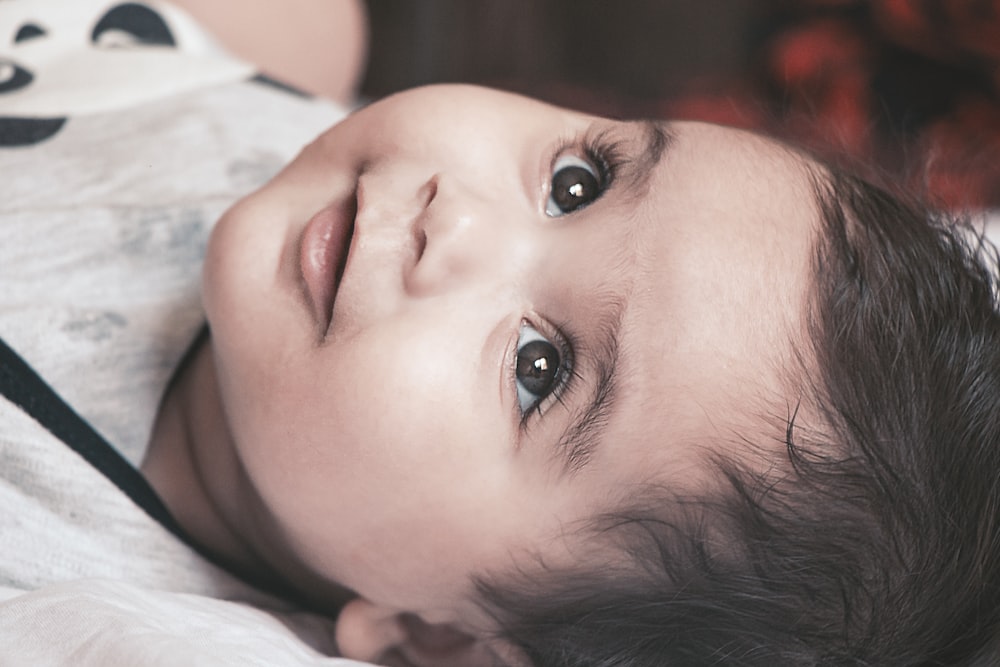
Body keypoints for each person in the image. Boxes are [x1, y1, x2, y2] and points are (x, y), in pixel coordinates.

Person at [4, 3, 1000, 667]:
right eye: (579, 181)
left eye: (541, 369)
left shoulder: (70, 584)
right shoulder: (287, 118)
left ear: (432, 637)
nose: (461, 221)